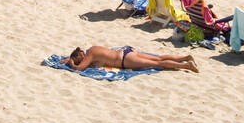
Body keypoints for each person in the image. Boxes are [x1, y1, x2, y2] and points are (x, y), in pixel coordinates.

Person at [63, 46, 198, 73]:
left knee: (158, 63)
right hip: (127, 51)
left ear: (80, 54)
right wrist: (67, 59)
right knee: (158, 57)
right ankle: (185, 57)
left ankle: (187, 66)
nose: (82, 60)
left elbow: (79, 69)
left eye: (78, 58)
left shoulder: (89, 56)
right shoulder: (93, 48)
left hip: (125, 60)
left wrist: (71, 64)